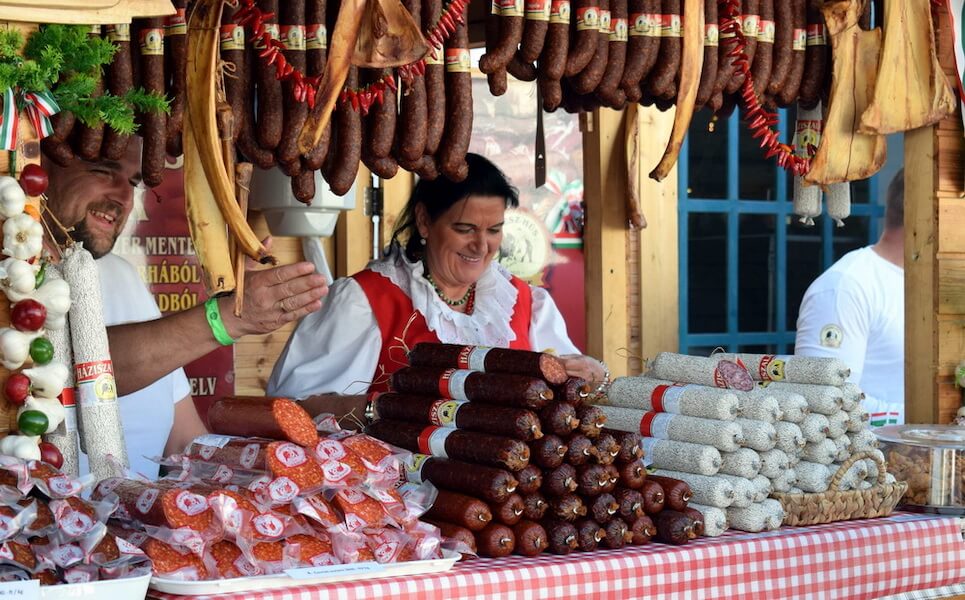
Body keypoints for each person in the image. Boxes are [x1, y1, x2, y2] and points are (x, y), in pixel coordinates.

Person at [41, 140, 329, 476]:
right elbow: (81, 367)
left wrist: (280, 471)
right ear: (44, 166)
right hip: (51, 523)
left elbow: (184, 443)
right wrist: (224, 318)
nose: (123, 197)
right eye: (103, 171)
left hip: (134, 520)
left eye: (133, 183)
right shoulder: (15, 276)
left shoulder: (123, 276)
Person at [267, 153, 607, 420]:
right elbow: (295, 408)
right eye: (465, 228)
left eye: (494, 230)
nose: (482, 246)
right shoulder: (365, 301)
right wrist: (390, 410)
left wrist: (589, 376)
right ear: (425, 221)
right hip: (393, 495)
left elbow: (567, 396)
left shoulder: (525, 303)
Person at [795, 170, 904, 426]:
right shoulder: (846, 287)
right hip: (868, 463)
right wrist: (933, 425)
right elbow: (824, 403)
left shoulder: (946, 284)